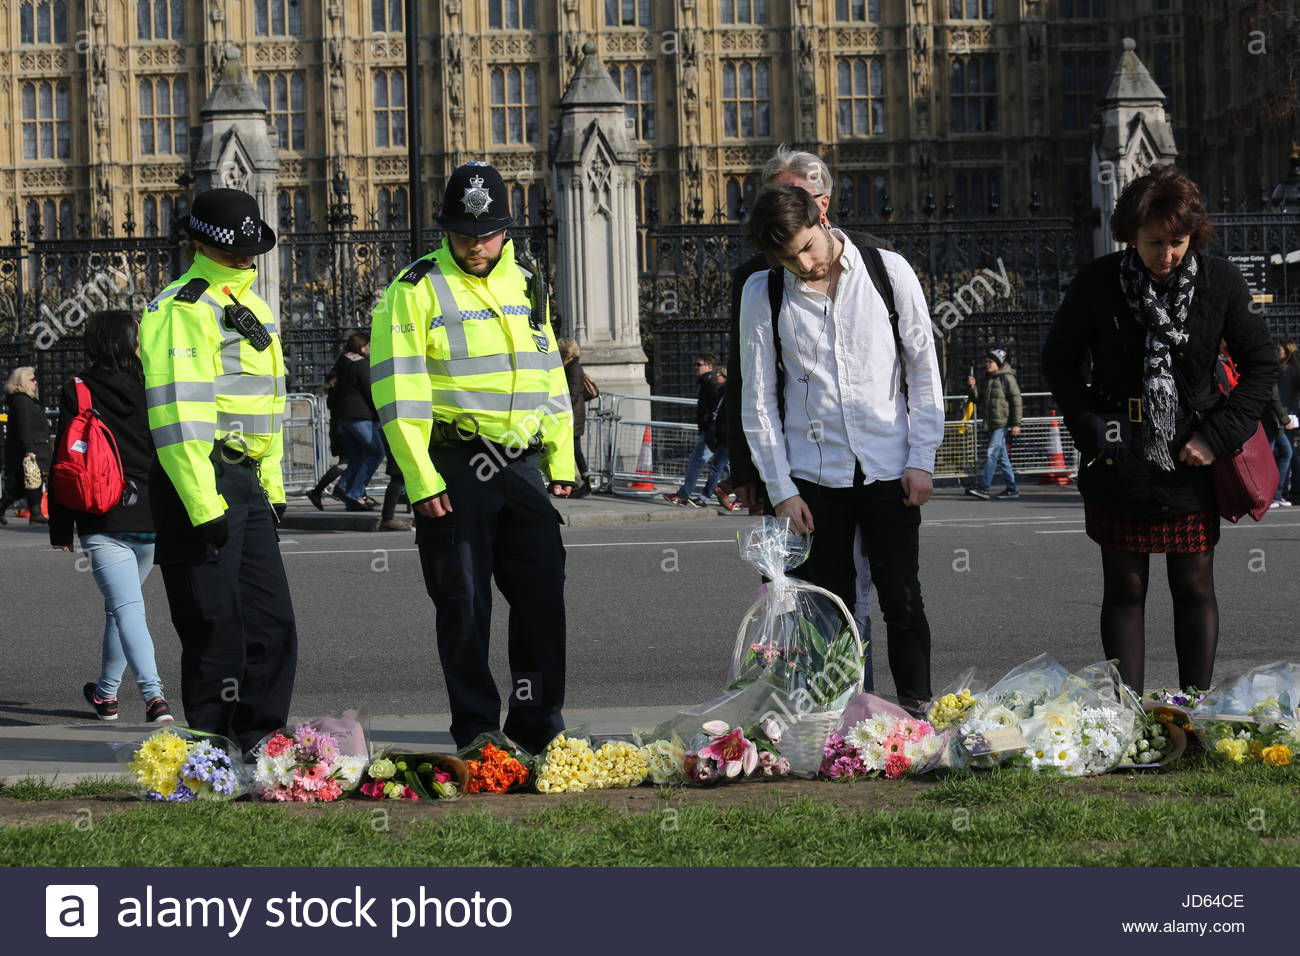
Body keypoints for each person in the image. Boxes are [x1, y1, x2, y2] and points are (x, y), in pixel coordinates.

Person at [1042, 165, 1276, 694]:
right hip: (1118, 455)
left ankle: (1193, 707)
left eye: (1177, 242)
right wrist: (1095, 429)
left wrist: (1216, 437)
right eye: (1153, 243)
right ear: (1130, 235)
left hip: (1193, 454)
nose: (1166, 255)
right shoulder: (1099, 282)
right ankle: (1129, 713)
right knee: (1125, 588)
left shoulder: (1220, 281)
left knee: (1194, 586)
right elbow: (1059, 362)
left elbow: (1261, 365)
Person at [369, 161, 576, 753]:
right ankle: (478, 730)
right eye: (463, 234)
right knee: (464, 605)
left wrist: (561, 457)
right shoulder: (414, 288)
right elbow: (398, 391)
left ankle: (537, 725)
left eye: (486, 234)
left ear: (506, 230)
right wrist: (420, 478)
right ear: (446, 230)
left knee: (542, 599)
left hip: (521, 463)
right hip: (455, 463)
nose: (476, 245)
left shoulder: (528, 281)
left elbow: (547, 372)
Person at [739, 184, 944, 712]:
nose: (804, 264)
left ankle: (916, 712)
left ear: (821, 217)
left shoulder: (888, 271)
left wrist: (922, 458)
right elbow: (757, 398)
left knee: (903, 600)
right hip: (814, 479)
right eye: (788, 258)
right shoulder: (764, 292)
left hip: (889, 467)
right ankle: (840, 722)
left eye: (808, 247)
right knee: (831, 612)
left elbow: (923, 369)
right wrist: (781, 491)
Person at [139, 187, 297, 753]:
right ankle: (212, 751)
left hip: (246, 479)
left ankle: (262, 742)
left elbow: (268, 405)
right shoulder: (180, 308)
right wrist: (204, 504)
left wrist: (272, 484)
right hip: (200, 478)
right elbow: (178, 415)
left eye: (251, 251)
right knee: (215, 628)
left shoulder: (255, 306)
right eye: (236, 251)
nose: (246, 259)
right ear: (200, 244)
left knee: (272, 624)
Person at [725, 148, 882, 681]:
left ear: (822, 203)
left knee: (863, 590)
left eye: (795, 196)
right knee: (793, 588)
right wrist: (749, 471)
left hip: (867, 460)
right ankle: (803, 694)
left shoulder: (873, 260)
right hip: (791, 466)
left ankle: (860, 695)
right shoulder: (757, 275)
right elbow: (747, 380)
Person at [48, 311, 172, 723]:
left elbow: (65, 461)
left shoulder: (79, 389)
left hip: (102, 515)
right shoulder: (153, 386)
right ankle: (105, 695)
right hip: (152, 515)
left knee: (127, 607)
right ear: (131, 343)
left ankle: (155, 698)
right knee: (121, 607)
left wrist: (61, 528)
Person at [663, 354, 736, 509]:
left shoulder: (710, 383)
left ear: (709, 366)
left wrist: (710, 419)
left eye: (699, 364)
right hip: (717, 433)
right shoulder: (711, 384)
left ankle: (687, 495)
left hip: (716, 433)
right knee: (723, 465)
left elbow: (719, 410)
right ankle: (731, 494)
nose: (695, 368)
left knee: (702, 463)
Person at [327, 331, 384, 511]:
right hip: (360, 416)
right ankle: (356, 493)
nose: (368, 348)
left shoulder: (342, 362)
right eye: (367, 345)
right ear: (361, 346)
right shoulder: (361, 364)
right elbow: (370, 390)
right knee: (376, 453)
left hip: (343, 417)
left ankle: (345, 490)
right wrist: (379, 413)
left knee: (356, 458)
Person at [964, 348, 1024, 500]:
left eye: (990, 361)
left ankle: (984, 488)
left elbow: (1016, 401)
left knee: (991, 453)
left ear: (998, 363)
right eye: (986, 361)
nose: (987, 364)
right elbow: (977, 400)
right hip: (992, 422)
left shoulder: (1007, 378)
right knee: (1003, 458)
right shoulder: (988, 378)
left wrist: (1016, 423)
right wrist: (973, 387)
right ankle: (1012, 488)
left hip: (1001, 423)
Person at [1, 367, 50, 525]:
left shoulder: (25, 400)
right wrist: (30, 449)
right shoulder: (21, 401)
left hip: (31, 447)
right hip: (28, 448)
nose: (35, 383)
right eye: (32, 380)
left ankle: (35, 512)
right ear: (23, 381)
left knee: (31, 482)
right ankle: (35, 513)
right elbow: (24, 426)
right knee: (26, 482)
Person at [558, 337, 593, 498]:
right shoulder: (571, 366)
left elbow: (571, 395)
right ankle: (580, 483)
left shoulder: (573, 368)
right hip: (573, 414)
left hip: (572, 415)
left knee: (575, 450)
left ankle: (584, 483)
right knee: (573, 450)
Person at [1267, 340, 1298, 508]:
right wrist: (1285, 418)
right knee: (1283, 453)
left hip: (1279, 418)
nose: (1276, 352)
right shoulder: (1278, 370)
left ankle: (1277, 493)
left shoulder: (1283, 370)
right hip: (1276, 419)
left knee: (1285, 453)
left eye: (1279, 349)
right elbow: (1275, 398)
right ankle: (1274, 494)